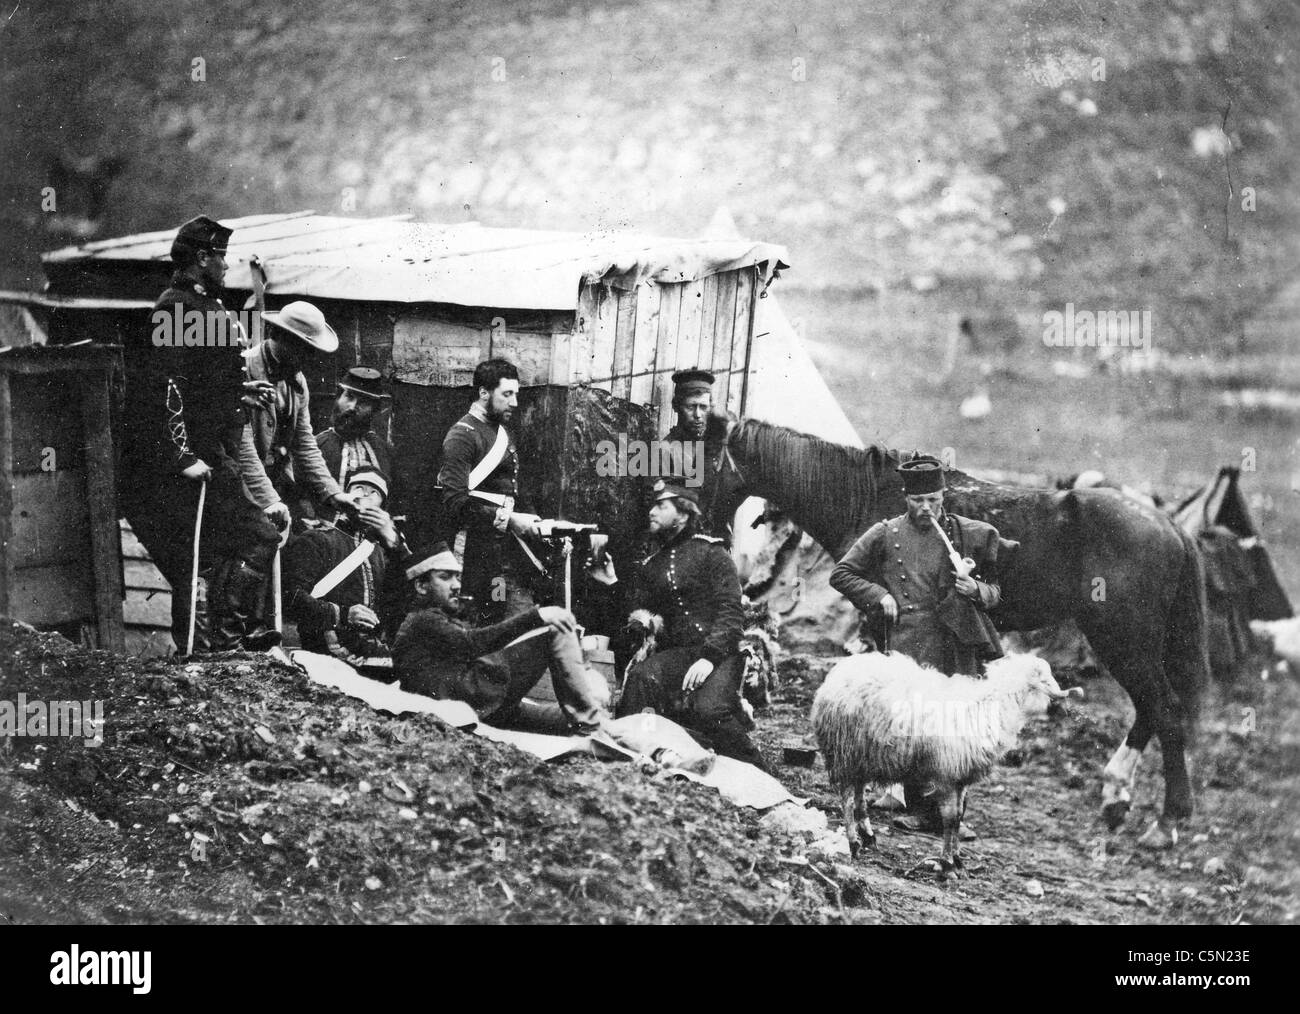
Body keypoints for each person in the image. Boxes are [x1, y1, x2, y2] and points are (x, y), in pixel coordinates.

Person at [118, 214, 280, 653]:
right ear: (202, 258)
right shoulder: (176, 307)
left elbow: (199, 379)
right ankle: (225, 638)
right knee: (255, 537)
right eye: (222, 256)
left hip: (212, 451)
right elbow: (163, 386)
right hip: (191, 461)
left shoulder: (204, 305)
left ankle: (221, 640)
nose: (227, 266)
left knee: (231, 547)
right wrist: (182, 457)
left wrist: (239, 389)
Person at [829, 454, 1008, 831]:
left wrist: (975, 588)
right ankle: (918, 809)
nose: (926, 508)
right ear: (905, 499)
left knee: (955, 725)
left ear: (944, 496)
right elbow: (842, 573)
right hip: (911, 642)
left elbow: (996, 594)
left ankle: (951, 813)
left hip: (956, 639)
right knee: (913, 723)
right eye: (917, 501)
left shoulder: (966, 534)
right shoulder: (886, 533)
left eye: (934, 500)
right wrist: (878, 595)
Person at [607, 478, 768, 769]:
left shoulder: (711, 553)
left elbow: (731, 612)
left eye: (661, 505)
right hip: (680, 655)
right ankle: (630, 760)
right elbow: (634, 610)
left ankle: (761, 774)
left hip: (722, 654)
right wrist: (610, 582)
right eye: (652, 506)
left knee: (709, 711)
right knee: (642, 679)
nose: (651, 512)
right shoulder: (652, 565)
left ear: (682, 513)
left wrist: (709, 657)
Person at [392, 542, 611, 733]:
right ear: (421, 586)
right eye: (445, 577)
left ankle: (595, 721)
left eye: (457, 577)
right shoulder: (422, 620)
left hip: (480, 705)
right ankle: (592, 724)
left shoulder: (430, 619)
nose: (456, 585)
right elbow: (472, 643)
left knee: (564, 720)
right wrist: (536, 616)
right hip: (472, 706)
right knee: (554, 630)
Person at [436, 358, 543, 622]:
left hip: (502, 554)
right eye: (507, 394)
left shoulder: (504, 433)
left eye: (516, 394)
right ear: (484, 393)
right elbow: (454, 502)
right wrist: (510, 519)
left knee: (499, 619)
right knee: (470, 625)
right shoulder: (463, 435)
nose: (515, 403)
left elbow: (514, 493)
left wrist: (538, 523)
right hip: (471, 552)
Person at [239, 301, 356, 529]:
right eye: (303, 348)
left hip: (277, 481)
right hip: (241, 486)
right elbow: (242, 448)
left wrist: (334, 493)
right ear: (279, 337)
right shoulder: (243, 369)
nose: (310, 358)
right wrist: (269, 501)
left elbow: (304, 443)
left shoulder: (297, 381)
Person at [282, 468, 408, 661]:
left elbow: (411, 594)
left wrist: (396, 544)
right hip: (325, 650)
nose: (365, 495)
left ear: (383, 507)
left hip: (372, 650)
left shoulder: (381, 552)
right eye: (359, 488)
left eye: (374, 492)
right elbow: (291, 599)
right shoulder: (316, 539)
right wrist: (343, 615)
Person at [314, 367, 398, 516]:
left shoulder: (385, 453)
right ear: (338, 398)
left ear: (375, 409)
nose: (352, 407)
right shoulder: (315, 448)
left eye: (364, 402)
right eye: (349, 397)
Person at [661, 369, 734, 540]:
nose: (698, 415)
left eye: (703, 407)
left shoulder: (717, 446)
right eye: (691, 407)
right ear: (677, 407)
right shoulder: (667, 450)